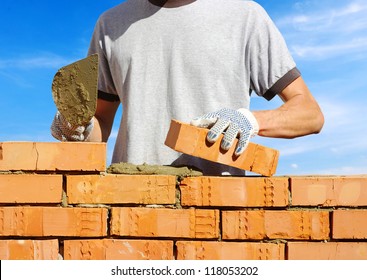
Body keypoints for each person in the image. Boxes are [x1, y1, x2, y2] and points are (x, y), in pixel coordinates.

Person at [51, 0, 324, 176]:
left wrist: (250, 120)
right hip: (131, 204)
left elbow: (310, 115)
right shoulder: (110, 25)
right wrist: (79, 128)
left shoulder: (245, 17)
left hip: (218, 208)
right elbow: (100, 122)